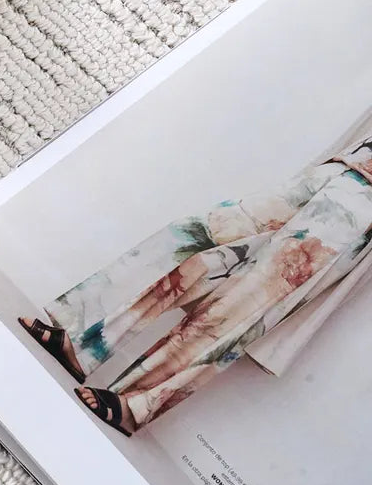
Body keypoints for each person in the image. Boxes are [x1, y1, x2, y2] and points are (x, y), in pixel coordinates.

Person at [18, 134, 372, 437]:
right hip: (344, 167)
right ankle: (84, 342)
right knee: (195, 237)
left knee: (243, 303)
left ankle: (136, 402)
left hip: (362, 213)